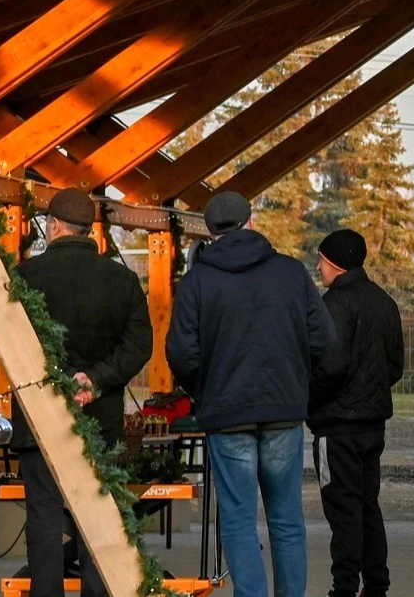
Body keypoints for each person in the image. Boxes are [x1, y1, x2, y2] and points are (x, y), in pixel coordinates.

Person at [167, 191, 332, 597]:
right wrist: (298, 383)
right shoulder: (292, 273)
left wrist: (204, 390)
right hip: (283, 410)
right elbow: (324, 339)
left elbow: (182, 353)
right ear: (252, 221)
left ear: (210, 232)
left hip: (226, 414)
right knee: (287, 520)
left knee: (239, 520)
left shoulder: (197, 282)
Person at [10, 191, 152, 597]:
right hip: (99, 419)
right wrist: (95, 380)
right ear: (88, 230)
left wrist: (54, 386)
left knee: (44, 515)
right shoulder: (121, 280)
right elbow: (139, 345)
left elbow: (14, 344)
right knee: (98, 513)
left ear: (53, 225)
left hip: (40, 420)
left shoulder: (25, 277)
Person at [307, 228, 404, 597]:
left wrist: (310, 401)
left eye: (321, 260)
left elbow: (329, 367)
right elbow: (394, 366)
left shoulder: (333, 305)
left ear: (334, 263)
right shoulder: (385, 303)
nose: (318, 267)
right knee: (367, 506)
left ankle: (344, 587)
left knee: (342, 510)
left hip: (336, 428)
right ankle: (376, 583)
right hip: (372, 425)